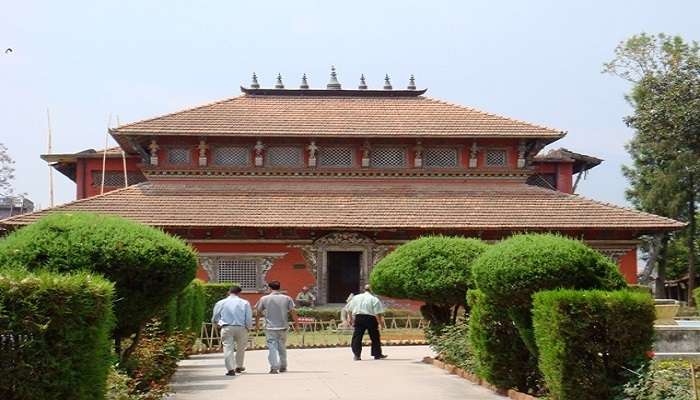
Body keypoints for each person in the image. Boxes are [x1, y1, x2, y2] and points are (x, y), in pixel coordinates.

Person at [255, 280, 298, 374]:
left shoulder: (264, 299)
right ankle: (283, 366)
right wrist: (297, 324)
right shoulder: (287, 298)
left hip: (270, 327)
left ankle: (274, 367)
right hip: (283, 326)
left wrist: (257, 324)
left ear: (269, 288)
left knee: (272, 347)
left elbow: (258, 312)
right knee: (282, 346)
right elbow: (293, 312)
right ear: (279, 287)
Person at [211, 285, 253, 376]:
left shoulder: (221, 302)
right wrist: (248, 327)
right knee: (241, 348)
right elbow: (248, 317)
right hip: (241, 327)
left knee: (228, 348)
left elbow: (215, 316)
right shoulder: (245, 303)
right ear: (239, 293)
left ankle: (230, 369)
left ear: (229, 292)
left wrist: (216, 323)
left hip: (227, 327)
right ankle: (239, 366)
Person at [346, 284, 387, 361]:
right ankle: (377, 354)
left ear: (364, 289)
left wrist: (350, 319)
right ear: (371, 290)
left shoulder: (356, 297)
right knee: (375, 336)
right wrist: (381, 324)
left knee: (357, 337)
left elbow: (349, 309)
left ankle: (356, 355)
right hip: (370, 318)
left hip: (359, 317)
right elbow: (377, 314)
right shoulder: (374, 299)